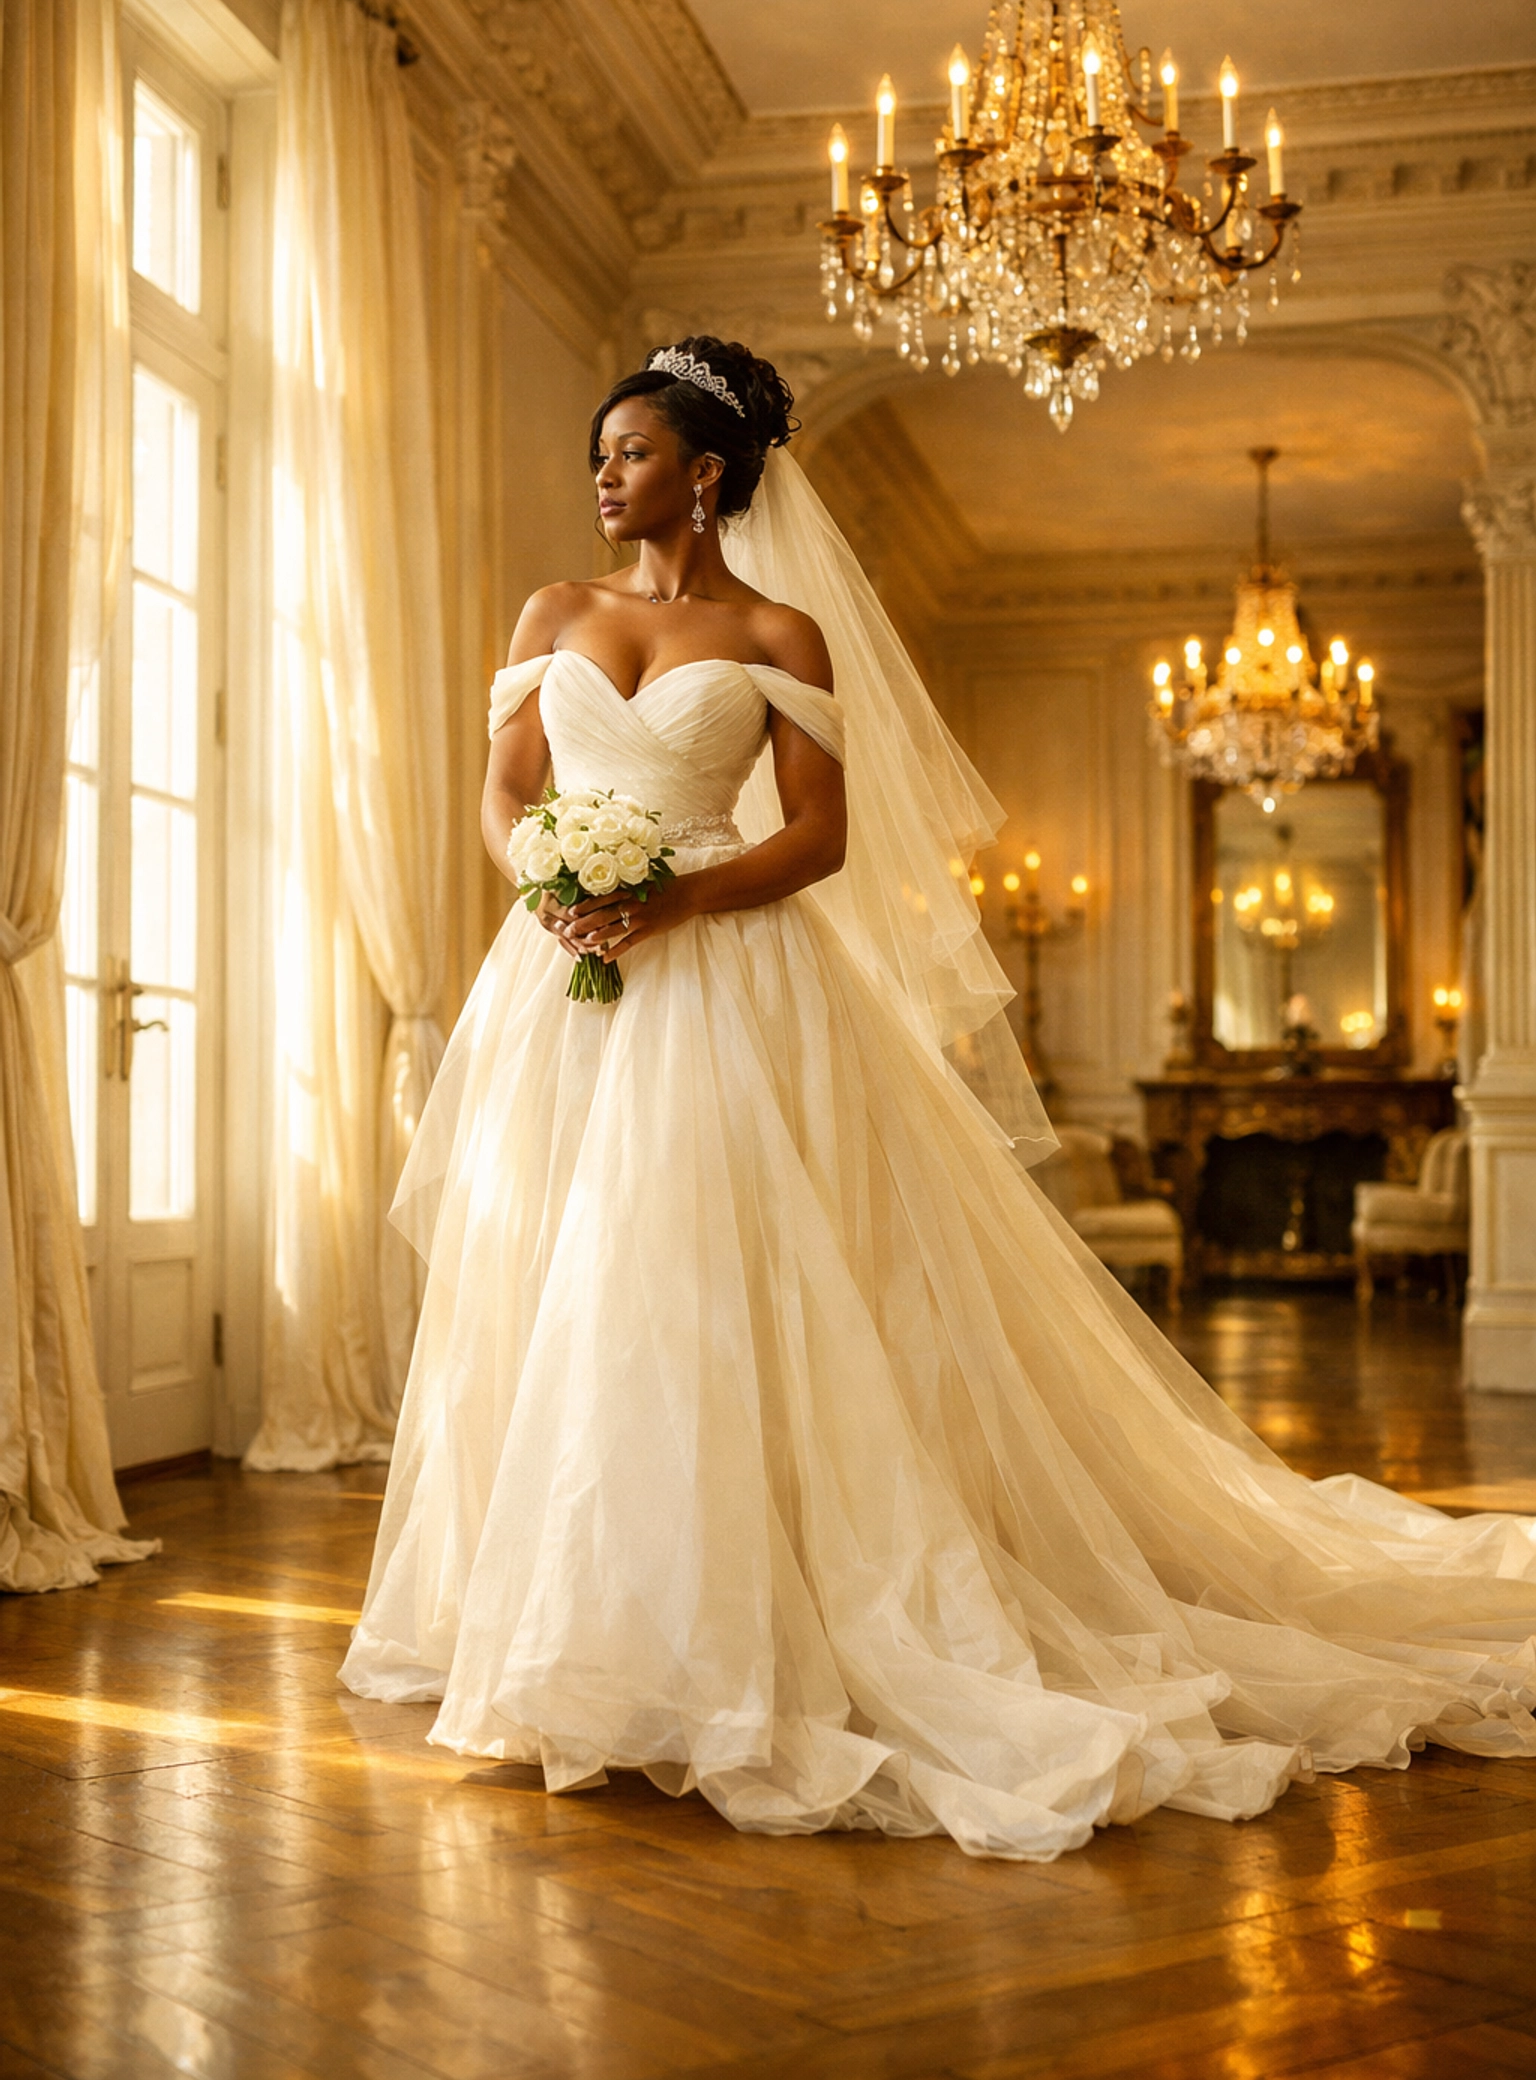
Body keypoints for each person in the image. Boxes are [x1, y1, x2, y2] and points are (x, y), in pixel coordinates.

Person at [341, 336, 1536, 1862]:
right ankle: (569, 1619)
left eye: (631, 451)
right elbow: (506, 786)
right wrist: (554, 877)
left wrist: (676, 898)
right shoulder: (553, 612)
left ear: (704, 475)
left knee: (705, 1278)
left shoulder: (783, 627)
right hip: (562, 979)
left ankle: (728, 1625)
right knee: (561, 1274)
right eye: (600, 451)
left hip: (722, 979)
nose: (603, 474)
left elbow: (824, 837)